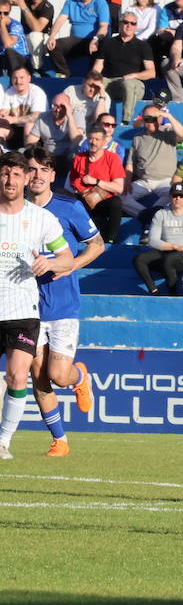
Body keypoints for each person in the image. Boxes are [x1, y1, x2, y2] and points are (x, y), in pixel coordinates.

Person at [23, 147, 101, 457]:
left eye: (44, 169)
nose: (38, 175)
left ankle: (80, 377)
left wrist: (67, 265)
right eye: (32, 169)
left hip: (63, 305)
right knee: (37, 374)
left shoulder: (69, 208)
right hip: (26, 306)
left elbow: (97, 245)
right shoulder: (14, 213)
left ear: (53, 176)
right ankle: (60, 440)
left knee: (57, 375)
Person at [0, 152, 74, 460]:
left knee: (18, 376)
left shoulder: (42, 218)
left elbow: (68, 259)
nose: (10, 180)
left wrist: (50, 262)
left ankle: (3, 442)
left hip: (23, 312)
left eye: (17, 175)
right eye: (5, 174)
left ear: (26, 179)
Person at [134, 183, 183, 295]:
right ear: (169, 197)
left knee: (168, 260)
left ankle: (173, 294)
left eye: (181, 196)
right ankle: (154, 290)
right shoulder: (161, 214)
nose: (178, 199)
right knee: (139, 259)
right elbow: (153, 240)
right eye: (174, 196)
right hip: (168, 250)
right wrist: (175, 246)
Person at [121, 104, 183, 222]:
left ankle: (149, 217)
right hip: (144, 181)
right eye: (147, 119)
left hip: (166, 181)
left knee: (174, 195)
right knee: (120, 198)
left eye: (154, 118)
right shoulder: (137, 138)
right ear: (143, 120)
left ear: (160, 118)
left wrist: (168, 116)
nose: (151, 122)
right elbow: (130, 163)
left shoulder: (169, 132)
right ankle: (149, 216)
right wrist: (127, 181)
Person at [92, 10, 156, 122]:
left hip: (134, 84)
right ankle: (97, 120)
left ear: (136, 26)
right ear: (120, 23)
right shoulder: (108, 43)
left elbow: (151, 72)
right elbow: (97, 68)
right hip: (112, 82)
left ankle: (126, 121)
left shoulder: (143, 46)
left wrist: (133, 75)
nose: (129, 26)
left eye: (133, 23)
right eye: (126, 22)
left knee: (128, 84)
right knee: (97, 82)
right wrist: (94, 80)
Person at [69, 123, 124, 241]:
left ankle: (111, 239)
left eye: (97, 139)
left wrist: (96, 181)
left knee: (116, 202)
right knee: (65, 198)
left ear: (104, 142)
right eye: (90, 138)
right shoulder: (80, 157)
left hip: (104, 201)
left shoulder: (112, 158)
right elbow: (73, 181)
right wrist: (86, 192)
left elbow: (119, 188)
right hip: (84, 199)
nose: (93, 142)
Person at [45, 0, 109, 75]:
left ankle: (93, 77)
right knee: (52, 46)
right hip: (75, 40)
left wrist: (96, 39)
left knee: (103, 47)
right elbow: (60, 20)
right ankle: (64, 74)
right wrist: (52, 36)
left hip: (93, 41)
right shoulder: (71, 0)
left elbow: (104, 27)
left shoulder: (101, 3)